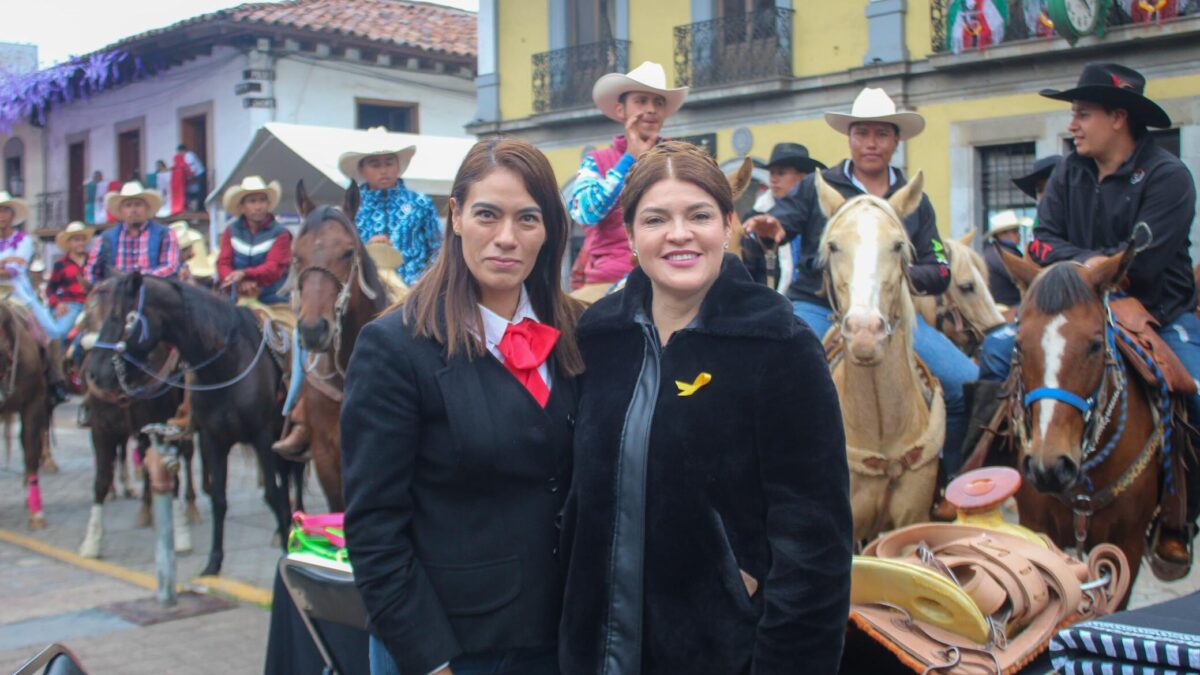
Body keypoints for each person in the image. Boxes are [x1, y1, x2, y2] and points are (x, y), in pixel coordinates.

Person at [560, 142, 851, 674]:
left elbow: (816, 549)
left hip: (724, 656)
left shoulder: (779, 345)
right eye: (655, 219)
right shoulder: (598, 338)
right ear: (630, 235)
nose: (679, 234)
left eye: (699, 215)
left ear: (729, 224)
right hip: (594, 652)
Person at [342, 138, 583, 675]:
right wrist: (431, 660)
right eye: (487, 215)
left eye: (528, 219)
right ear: (455, 215)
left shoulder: (580, 330)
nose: (506, 238)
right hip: (458, 648)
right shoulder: (395, 346)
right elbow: (374, 527)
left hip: (567, 638)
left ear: (549, 231)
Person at [975, 63, 1198, 562]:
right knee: (993, 355)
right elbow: (1043, 243)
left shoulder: (1169, 177)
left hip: (1157, 310)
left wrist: (1085, 264)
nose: (1072, 125)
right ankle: (973, 475)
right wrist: (1095, 266)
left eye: (1082, 114)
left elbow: (1147, 258)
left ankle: (1179, 517)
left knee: (1195, 387)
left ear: (1118, 117)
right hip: (1072, 304)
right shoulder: (1065, 172)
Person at [745, 87, 979, 477]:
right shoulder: (817, 186)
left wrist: (886, 276)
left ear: (895, 140)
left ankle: (947, 482)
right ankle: (788, 482)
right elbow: (781, 221)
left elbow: (939, 268)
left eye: (881, 134)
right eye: (862, 134)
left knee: (966, 384)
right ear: (849, 138)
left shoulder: (915, 201)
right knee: (782, 382)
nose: (871, 143)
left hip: (893, 313)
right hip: (819, 306)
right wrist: (770, 230)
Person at [568, 61, 688, 291]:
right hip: (608, 282)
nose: (651, 109)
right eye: (641, 101)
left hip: (671, 276)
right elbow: (584, 213)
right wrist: (629, 159)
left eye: (658, 102)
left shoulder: (679, 159)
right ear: (621, 110)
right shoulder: (595, 161)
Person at [339, 126, 441, 286]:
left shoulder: (420, 203)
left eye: (389, 163)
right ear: (362, 170)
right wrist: (366, 248)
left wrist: (425, 282)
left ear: (398, 166)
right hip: (367, 292)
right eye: (375, 165)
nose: (384, 170)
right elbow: (341, 254)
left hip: (416, 290)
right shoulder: (353, 208)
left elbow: (438, 248)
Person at [741, 143, 826, 288]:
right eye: (772, 173)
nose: (774, 179)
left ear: (803, 178)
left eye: (781, 173)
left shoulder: (820, 214)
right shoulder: (756, 218)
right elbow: (747, 267)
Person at [84, 181, 180, 283]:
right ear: (121, 210)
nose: (133, 210)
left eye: (138, 205)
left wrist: (138, 280)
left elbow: (170, 267)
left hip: (152, 293)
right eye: (128, 206)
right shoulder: (106, 238)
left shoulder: (164, 234)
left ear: (146, 208)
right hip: (117, 294)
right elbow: (91, 271)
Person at [216, 177, 291, 307]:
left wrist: (244, 273)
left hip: (273, 300)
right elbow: (223, 263)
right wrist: (237, 282)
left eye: (262, 200)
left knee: (285, 325)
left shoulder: (281, 233)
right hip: (235, 299)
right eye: (252, 201)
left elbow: (272, 269)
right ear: (242, 207)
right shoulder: (231, 231)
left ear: (268, 204)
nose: (258, 207)